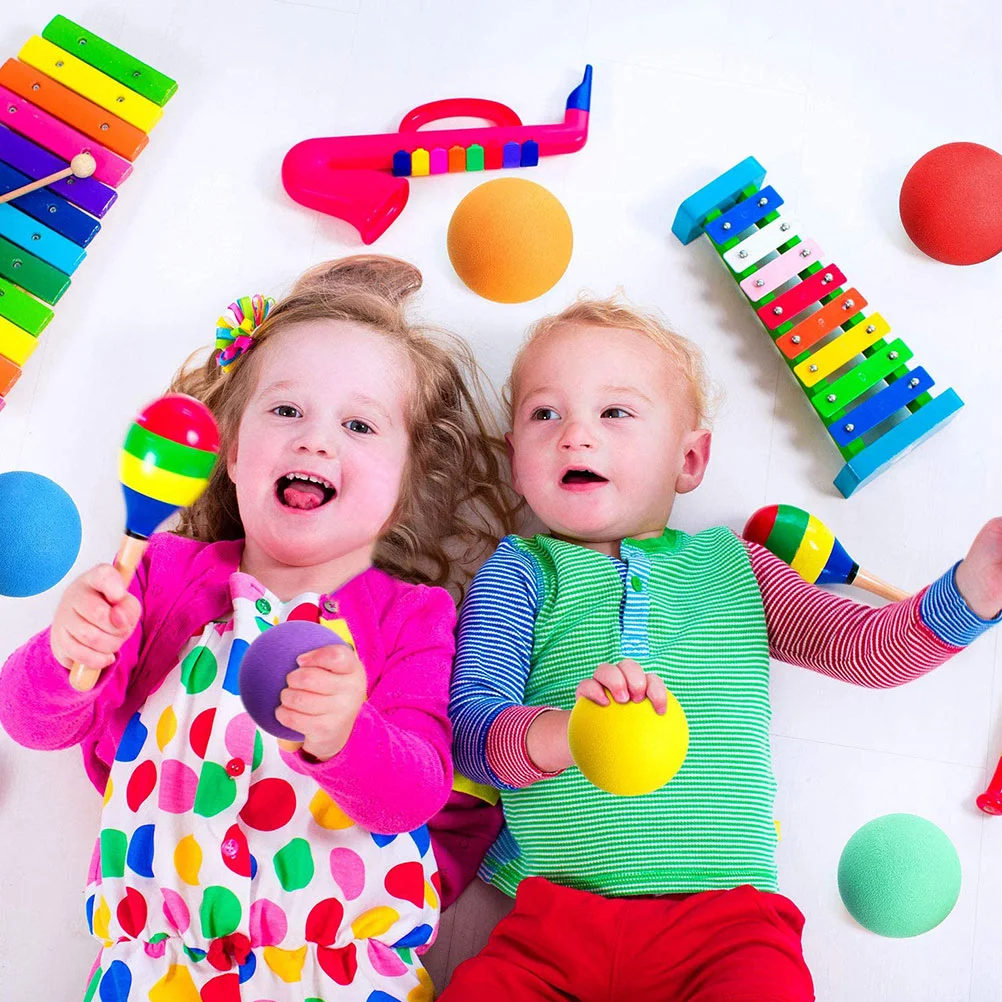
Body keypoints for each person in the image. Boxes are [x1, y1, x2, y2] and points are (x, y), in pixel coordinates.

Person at [445, 295, 1002, 1001]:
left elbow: (865, 649)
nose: (575, 434)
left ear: (689, 459)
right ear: (515, 457)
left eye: (615, 412)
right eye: (544, 413)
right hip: (553, 923)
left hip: (727, 924)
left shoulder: (737, 566)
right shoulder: (519, 571)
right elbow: (468, 733)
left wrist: (974, 594)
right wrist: (567, 737)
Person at [0, 256, 516, 1001]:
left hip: (338, 972)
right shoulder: (158, 575)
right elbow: (33, 723)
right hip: (157, 968)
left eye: (359, 424)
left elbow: (415, 795)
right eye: (285, 411)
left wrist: (345, 733)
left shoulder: (413, 617)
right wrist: (65, 651)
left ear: (405, 485)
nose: (315, 441)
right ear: (232, 453)